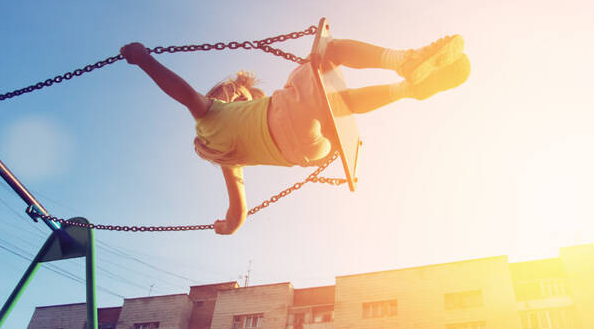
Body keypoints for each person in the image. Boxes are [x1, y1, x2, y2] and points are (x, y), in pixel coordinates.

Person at [120, 36, 470, 235]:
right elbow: (180, 91)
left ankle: (407, 90)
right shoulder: (209, 115)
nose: (228, 94)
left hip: (309, 152)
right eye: (226, 92)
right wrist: (145, 60)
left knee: (340, 106)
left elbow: (238, 214)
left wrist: (225, 226)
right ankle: (405, 61)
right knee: (330, 52)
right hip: (289, 120)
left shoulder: (232, 163)